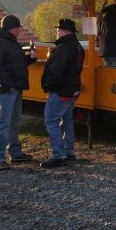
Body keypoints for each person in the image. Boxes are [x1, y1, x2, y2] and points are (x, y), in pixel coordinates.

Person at [0, 14, 36, 171]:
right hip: (7, 90)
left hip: (15, 87)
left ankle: (15, 153)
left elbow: (17, 63)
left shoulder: (9, 42)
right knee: (4, 124)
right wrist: (9, 86)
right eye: (18, 27)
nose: (20, 31)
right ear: (12, 28)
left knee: (13, 123)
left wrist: (31, 59)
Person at [39, 19, 85, 169]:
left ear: (66, 31)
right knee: (67, 120)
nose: (57, 32)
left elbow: (55, 72)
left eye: (58, 29)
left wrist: (47, 85)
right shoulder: (78, 47)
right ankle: (69, 151)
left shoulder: (63, 49)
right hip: (73, 90)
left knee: (51, 121)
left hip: (61, 91)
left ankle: (58, 156)